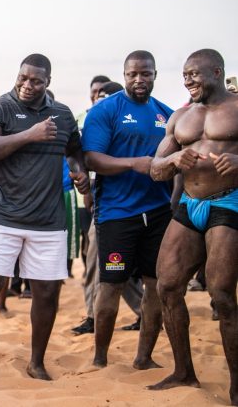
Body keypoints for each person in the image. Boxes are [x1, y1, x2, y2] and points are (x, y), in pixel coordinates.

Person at [0, 54, 90, 381]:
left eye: (36, 81)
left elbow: (74, 150)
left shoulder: (61, 114)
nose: (28, 85)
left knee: (47, 291)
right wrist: (29, 135)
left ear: (48, 82)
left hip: (47, 218)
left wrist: (79, 171)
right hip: (1, 213)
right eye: (23, 78)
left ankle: (37, 362)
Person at [149, 49, 238, 405]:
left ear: (216, 72)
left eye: (194, 74)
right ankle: (183, 370)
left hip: (228, 202)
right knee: (167, 285)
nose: (188, 81)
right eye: (184, 75)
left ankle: (236, 387)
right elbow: (156, 168)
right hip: (190, 204)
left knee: (221, 296)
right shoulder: (180, 117)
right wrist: (172, 159)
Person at [82, 51, 173, 369]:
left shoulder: (167, 114)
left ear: (154, 75)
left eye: (145, 74)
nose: (139, 79)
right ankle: (100, 358)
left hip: (160, 211)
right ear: (124, 74)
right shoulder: (105, 111)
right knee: (111, 284)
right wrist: (135, 163)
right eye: (133, 74)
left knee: (155, 285)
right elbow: (92, 159)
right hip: (117, 212)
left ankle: (143, 357)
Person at [72, 80, 144, 335]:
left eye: (104, 96)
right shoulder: (96, 121)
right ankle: (97, 314)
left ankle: (140, 313)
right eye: (96, 95)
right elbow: (87, 160)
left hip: (122, 207)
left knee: (109, 267)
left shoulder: (124, 123)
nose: (98, 100)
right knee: (99, 264)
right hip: (102, 205)